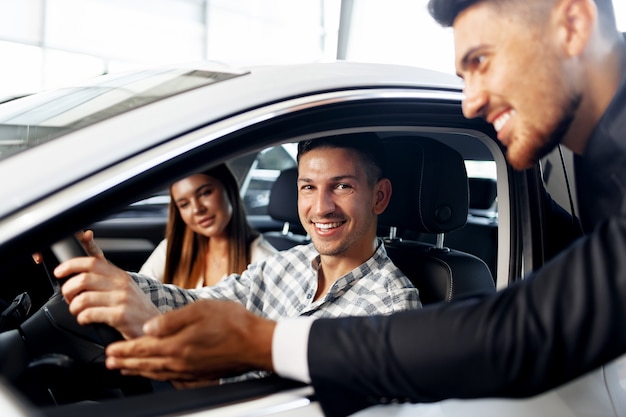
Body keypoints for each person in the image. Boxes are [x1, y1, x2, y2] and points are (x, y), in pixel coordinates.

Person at [85, 0, 626, 415]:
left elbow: (521, 333)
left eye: (481, 62)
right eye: (307, 186)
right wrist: (115, 283)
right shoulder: (286, 265)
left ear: (572, 23)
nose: (470, 102)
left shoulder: (394, 294)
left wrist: (259, 342)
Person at [54, 133, 421, 381]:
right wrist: (107, 274)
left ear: (379, 197)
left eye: (342, 186)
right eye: (308, 187)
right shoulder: (286, 263)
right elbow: (195, 303)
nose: (321, 207)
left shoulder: (393, 308)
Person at [139, 163, 276, 288]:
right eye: (184, 204)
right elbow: (138, 292)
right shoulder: (172, 248)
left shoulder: (264, 261)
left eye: (205, 193)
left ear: (228, 189)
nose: (197, 209)